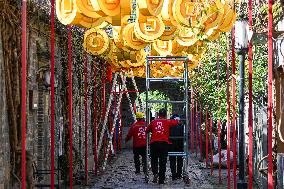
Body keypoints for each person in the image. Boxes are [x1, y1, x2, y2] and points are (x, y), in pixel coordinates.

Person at [146, 108, 180, 184]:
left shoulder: (153, 122)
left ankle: (155, 173)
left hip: (154, 143)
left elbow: (147, 130)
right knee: (162, 162)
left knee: (154, 160)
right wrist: (177, 118)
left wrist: (153, 130)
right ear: (165, 115)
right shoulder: (168, 121)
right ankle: (161, 180)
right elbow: (176, 122)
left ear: (158, 114)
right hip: (164, 144)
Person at [169, 114, 184, 180]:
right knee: (179, 160)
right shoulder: (181, 127)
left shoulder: (170, 127)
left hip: (171, 145)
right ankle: (179, 174)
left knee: (172, 159)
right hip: (180, 145)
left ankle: (173, 175)